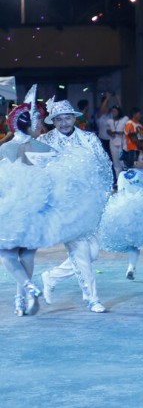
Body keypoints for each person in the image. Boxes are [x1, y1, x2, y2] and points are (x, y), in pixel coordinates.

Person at [39, 98, 114, 314]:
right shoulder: (46, 140)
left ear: (75, 118)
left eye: (67, 117)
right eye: (59, 119)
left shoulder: (89, 138)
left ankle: (51, 276)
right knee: (81, 253)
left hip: (90, 204)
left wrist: (105, 193)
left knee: (92, 253)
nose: (63, 123)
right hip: (64, 206)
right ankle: (92, 299)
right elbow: (39, 172)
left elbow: (103, 165)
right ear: (53, 121)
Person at [0, 87, 54, 316]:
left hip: (10, 208)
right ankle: (23, 295)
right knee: (28, 255)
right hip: (36, 209)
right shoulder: (45, 148)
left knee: (8, 254)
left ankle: (27, 290)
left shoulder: (5, 148)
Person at [106, 104, 128, 174]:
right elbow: (107, 130)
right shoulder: (109, 120)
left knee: (123, 163)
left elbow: (128, 130)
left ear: (119, 112)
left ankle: (126, 180)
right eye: (112, 111)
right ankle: (118, 181)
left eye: (115, 111)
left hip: (122, 143)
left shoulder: (125, 119)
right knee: (116, 163)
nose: (113, 113)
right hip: (113, 143)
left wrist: (120, 132)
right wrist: (110, 132)